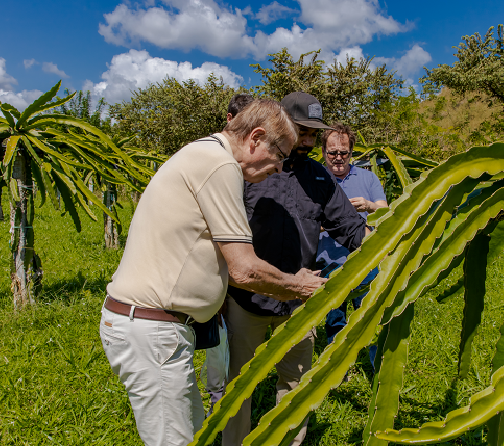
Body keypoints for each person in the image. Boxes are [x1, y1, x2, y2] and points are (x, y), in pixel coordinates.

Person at [99, 99, 327, 446]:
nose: (281, 168)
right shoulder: (219, 165)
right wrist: (298, 285)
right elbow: (245, 269)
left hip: (161, 330)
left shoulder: (205, 155)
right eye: (280, 155)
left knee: (193, 438)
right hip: (154, 329)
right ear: (256, 138)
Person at [223, 92, 368, 446]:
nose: (305, 141)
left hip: (299, 301)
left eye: (311, 135)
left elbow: (350, 228)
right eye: (300, 131)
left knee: (295, 385)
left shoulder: (320, 178)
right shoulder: (249, 170)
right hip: (247, 299)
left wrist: (397, 240)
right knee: (238, 388)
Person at [316, 123, 387, 366]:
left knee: (369, 316)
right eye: (332, 152)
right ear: (323, 151)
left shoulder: (368, 178)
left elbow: (388, 212)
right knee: (334, 318)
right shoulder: (314, 179)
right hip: (327, 262)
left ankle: (375, 366)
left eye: (343, 153)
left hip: (365, 261)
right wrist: (334, 222)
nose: (337, 158)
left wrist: (368, 205)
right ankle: (338, 365)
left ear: (352, 152)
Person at [204, 92, 255, 417]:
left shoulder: (246, 170)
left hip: (240, 273)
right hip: (217, 272)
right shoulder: (216, 162)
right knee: (216, 345)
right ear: (229, 119)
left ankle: (222, 403)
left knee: (226, 346)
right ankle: (215, 402)